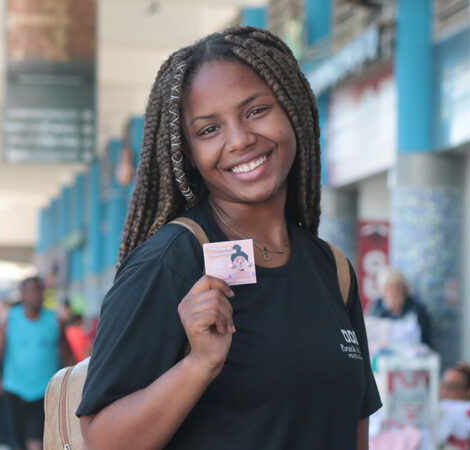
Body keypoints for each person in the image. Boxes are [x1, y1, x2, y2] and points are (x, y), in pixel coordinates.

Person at [77, 26, 382, 449]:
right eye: (209, 130)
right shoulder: (169, 262)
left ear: (292, 107)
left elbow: (354, 427)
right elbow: (101, 441)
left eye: (256, 111)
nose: (239, 140)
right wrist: (198, 365)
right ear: (188, 154)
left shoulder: (334, 271)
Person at [0, 276, 72, 450]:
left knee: (38, 440)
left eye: (40, 290)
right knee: (17, 441)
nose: (37, 295)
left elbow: (67, 355)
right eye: (32, 291)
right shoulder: (9, 319)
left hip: (45, 392)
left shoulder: (54, 320)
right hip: (14, 389)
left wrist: (74, 382)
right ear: (23, 294)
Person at [371, 268, 433, 348]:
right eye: (389, 288)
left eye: (398, 288)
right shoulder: (377, 309)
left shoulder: (416, 309)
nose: (394, 292)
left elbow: (425, 340)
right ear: (383, 291)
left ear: (404, 290)